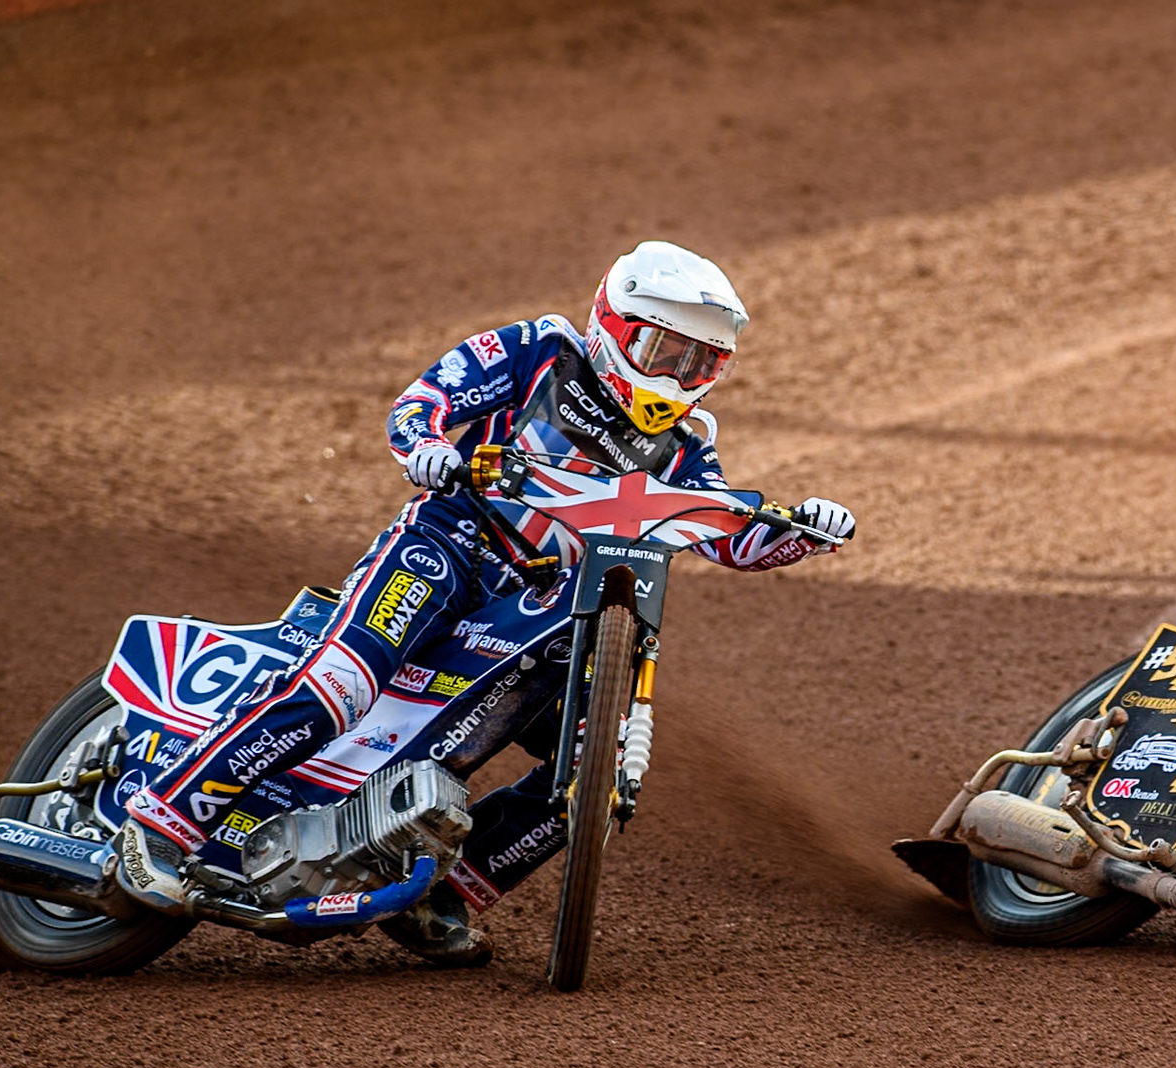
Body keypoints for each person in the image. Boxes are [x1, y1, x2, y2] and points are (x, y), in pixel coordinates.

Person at [113, 241, 857, 964]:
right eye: (666, 351)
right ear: (617, 325)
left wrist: (805, 531)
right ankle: (163, 822)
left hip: (545, 603)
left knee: (591, 768)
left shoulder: (689, 447)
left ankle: (450, 893)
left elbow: (725, 534)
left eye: (700, 361)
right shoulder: (540, 351)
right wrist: (428, 449)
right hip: (450, 546)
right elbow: (421, 403)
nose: (680, 373)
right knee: (343, 681)